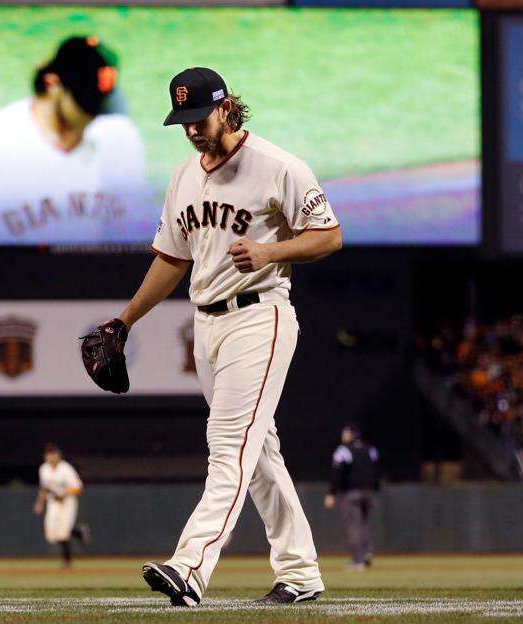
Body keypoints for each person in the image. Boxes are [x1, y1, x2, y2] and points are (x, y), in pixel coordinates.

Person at [106, 67, 341, 606]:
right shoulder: (184, 176)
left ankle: (190, 567)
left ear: (227, 108)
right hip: (206, 324)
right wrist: (125, 320)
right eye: (181, 120)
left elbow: (329, 235)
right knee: (257, 456)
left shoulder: (279, 167)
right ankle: (301, 572)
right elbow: (171, 260)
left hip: (261, 318)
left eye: (198, 117)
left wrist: (271, 251)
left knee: (228, 447)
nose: (190, 129)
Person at [0, 36, 153, 244]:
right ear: (52, 84)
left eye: (101, 105)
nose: (94, 115)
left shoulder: (120, 137)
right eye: (87, 102)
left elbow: (136, 235)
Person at [324, 424, 380, 571]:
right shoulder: (370, 449)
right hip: (369, 492)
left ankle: (358, 560)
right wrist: (375, 488)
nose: (344, 436)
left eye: (346, 434)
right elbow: (376, 470)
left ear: (351, 435)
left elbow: (337, 473)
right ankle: (367, 554)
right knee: (364, 525)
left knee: (354, 526)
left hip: (352, 493)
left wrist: (331, 493)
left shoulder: (343, 450)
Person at [33, 443, 90, 567]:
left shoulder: (66, 468)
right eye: (48, 454)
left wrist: (64, 493)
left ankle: (67, 561)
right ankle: (78, 532)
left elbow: (78, 488)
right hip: (53, 501)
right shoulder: (43, 469)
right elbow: (44, 488)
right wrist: (39, 503)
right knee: (51, 535)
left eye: (53, 453)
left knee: (62, 533)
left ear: (59, 455)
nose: (50, 456)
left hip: (68, 501)